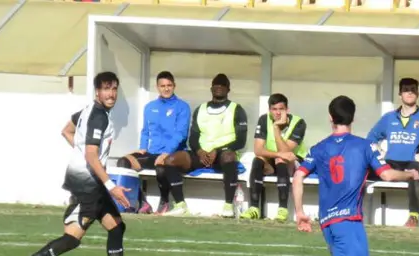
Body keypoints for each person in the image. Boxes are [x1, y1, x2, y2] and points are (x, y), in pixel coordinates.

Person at [3, 72, 144, 256]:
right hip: (88, 185)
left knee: (116, 227)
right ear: (97, 91)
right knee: (72, 239)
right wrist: (112, 186)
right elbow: (90, 154)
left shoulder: (87, 111)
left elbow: (66, 131)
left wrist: (84, 158)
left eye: (114, 89)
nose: (111, 94)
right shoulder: (99, 117)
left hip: (90, 181)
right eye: (106, 89)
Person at [292, 95, 419, 256]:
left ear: (331, 117)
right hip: (348, 221)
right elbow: (386, 173)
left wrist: (300, 212)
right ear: (353, 117)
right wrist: (410, 173)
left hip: (328, 223)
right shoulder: (364, 147)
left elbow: (297, 176)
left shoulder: (318, 148)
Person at [163, 73, 248, 217]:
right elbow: (193, 138)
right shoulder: (201, 109)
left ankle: (228, 206)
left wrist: (218, 150)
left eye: (223, 85)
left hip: (222, 154)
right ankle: (180, 205)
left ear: (228, 89)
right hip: (201, 155)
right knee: (170, 160)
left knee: (228, 157)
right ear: (211, 88)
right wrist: (199, 151)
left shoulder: (237, 109)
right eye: (216, 85)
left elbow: (241, 140)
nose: (219, 88)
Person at [367, 77, 419, 227]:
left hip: (412, 162)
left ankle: (413, 217)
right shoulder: (388, 118)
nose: (410, 92)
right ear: (400, 94)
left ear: (418, 94)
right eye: (406, 89)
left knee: (415, 173)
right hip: (391, 163)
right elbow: (370, 139)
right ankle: (353, 212)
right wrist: (379, 152)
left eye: (413, 89)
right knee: (361, 170)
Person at [116, 71, 191, 215]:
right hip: (152, 153)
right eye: (163, 86)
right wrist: (142, 148)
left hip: (172, 154)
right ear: (157, 87)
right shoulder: (150, 107)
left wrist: (166, 153)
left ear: (174, 86)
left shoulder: (182, 107)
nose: (166, 89)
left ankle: (164, 202)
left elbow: (181, 134)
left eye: (169, 85)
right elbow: (145, 131)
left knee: (162, 166)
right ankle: (142, 202)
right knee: (123, 162)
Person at [241, 93, 307, 221]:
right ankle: (254, 208)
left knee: (281, 159)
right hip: (274, 158)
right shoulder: (264, 119)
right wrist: (278, 154)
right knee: (258, 159)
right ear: (269, 110)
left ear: (287, 110)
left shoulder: (298, 123)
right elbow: (258, 149)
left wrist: (276, 128)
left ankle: (283, 209)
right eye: (274, 109)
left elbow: (286, 152)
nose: (277, 113)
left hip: (294, 162)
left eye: (281, 109)